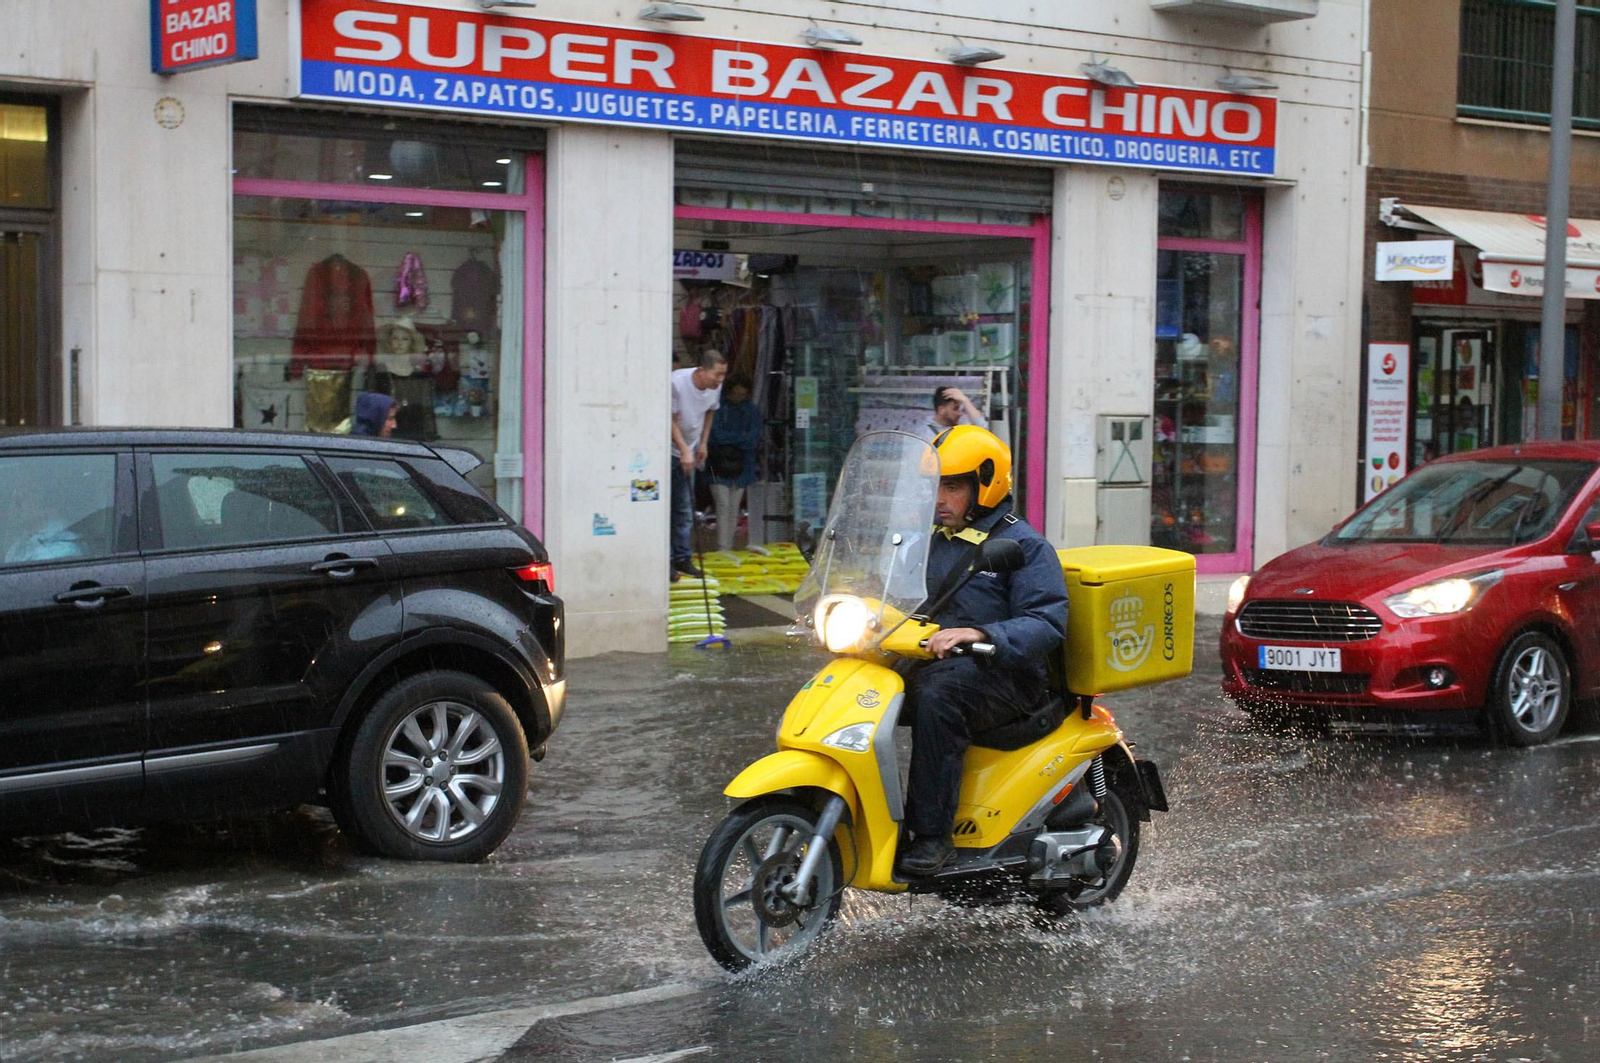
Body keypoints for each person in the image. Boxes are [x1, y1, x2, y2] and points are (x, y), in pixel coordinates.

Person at [896, 425, 1069, 877]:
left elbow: (1046, 622)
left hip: (1007, 675)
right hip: (939, 661)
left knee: (938, 696)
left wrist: (978, 633)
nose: (939, 499)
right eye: (935, 486)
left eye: (951, 487)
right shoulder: (929, 539)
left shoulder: (1024, 546)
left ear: (985, 484)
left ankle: (932, 837)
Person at [670, 348, 728, 578]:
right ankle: (668, 561)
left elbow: (709, 412)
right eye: (717, 374)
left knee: (685, 509)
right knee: (670, 508)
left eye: (724, 375)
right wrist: (684, 449)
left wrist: (702, 444)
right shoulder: (677, 383)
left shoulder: (715, 387)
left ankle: (684, 558)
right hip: (670, 449)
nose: (721, 380)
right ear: (702, 370)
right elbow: (669, 420)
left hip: (690, 449)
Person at [706, 379, 761, 553]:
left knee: (732, 506)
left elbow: (720, 436)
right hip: (726, 462)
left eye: (742, 394)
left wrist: (729, 439)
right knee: (724, 504)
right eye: (736, 393)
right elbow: (717, 436)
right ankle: (724, 547)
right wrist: (741, 439)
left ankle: (725, 546)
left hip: (733, 463)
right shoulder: (721, 408)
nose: (739, 397)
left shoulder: (749, 410)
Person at [4, 473, 87, 564]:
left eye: (25, 495)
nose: (15, 503)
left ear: (48, 507)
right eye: (15, 493)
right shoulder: (19, 546)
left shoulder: (61, 552)